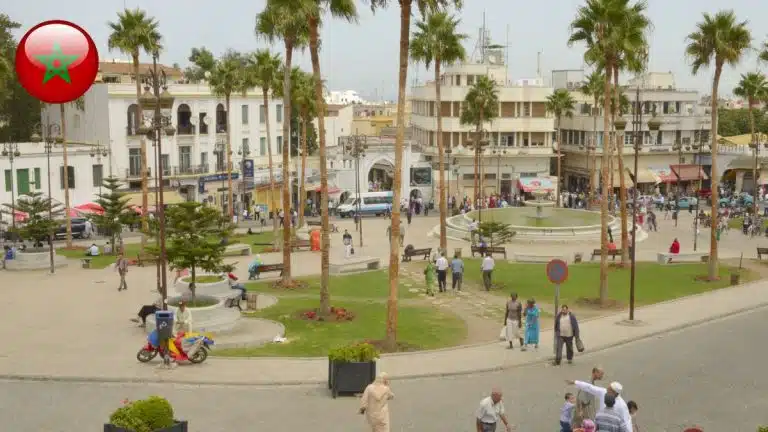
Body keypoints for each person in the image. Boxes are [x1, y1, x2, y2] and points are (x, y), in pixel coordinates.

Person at [566, 380, 631, 431]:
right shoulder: (604, 392)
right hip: (602, 422)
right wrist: (575, 382)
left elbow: (627, 421)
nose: (607, 390)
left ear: (615, 393)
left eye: (609, 389)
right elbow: (590, 388)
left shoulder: (622, 405)